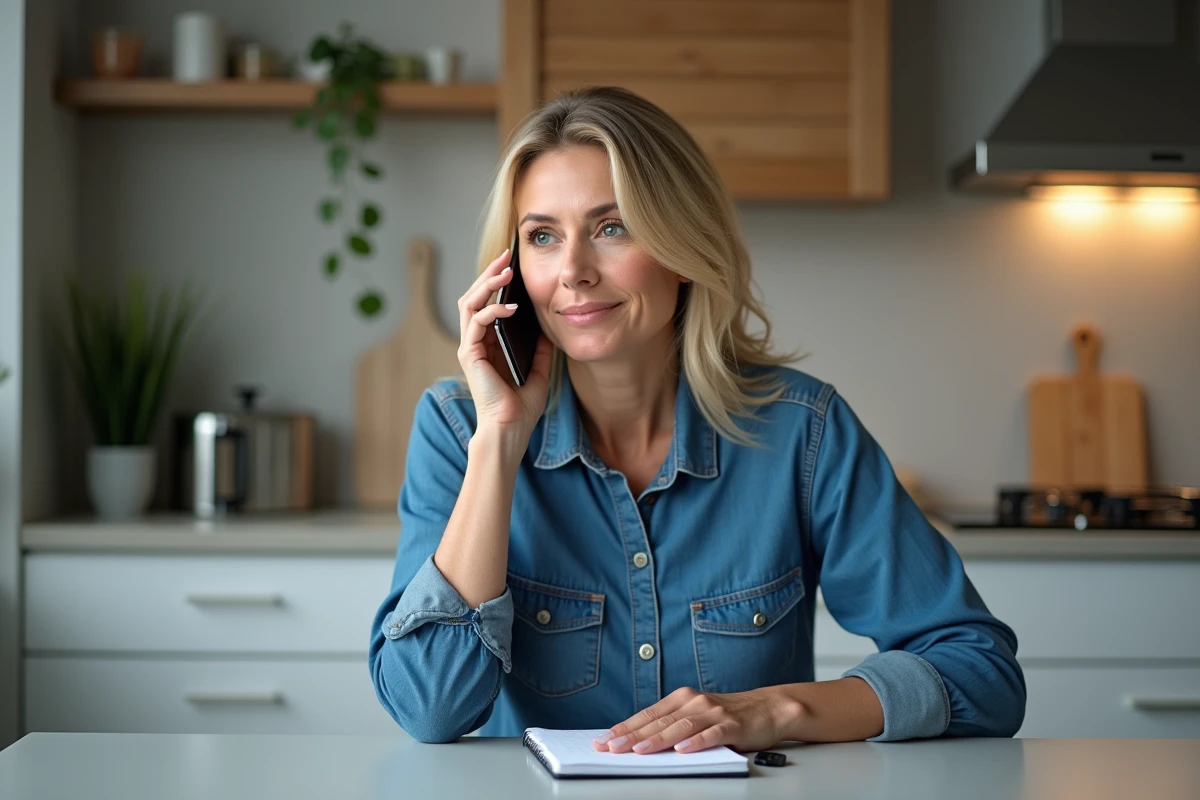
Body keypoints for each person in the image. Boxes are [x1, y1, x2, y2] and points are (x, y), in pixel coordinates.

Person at [368, 86, 1025, 753]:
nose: (572, 271)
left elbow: (981, 672)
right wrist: (501, 441)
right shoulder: (459, 430)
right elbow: (429, 706)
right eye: (542, 236)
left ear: (682, 246)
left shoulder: (802, 432)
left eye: (611, 227)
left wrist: (780, 711)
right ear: (511, 274)